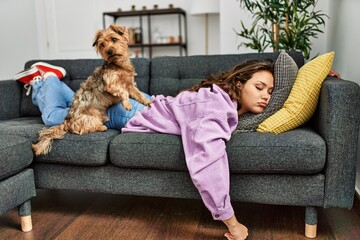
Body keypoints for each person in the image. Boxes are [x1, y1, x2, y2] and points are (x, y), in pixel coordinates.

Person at [14, 59, 339, 240]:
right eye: (259, 87)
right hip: (130, 111)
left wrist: (320, 75)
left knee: (73, 107)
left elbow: (291, 82)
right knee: (60, 118)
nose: (267, 96)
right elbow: (206, 159)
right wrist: (230, 220)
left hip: (143, 103)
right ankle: (45, 81)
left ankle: (52, 81)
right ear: (239, 84)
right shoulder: (214, 107)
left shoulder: (224, 103)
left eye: (271, 91)